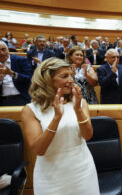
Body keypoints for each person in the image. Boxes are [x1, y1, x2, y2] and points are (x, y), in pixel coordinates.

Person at [21, 57, 99, 195]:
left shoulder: (81, 103)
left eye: (71, 75)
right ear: (47, 80)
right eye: (64, 76)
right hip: (51, 178)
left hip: (83, 172)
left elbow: (88, 136)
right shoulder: (31, 110)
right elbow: (39, 150)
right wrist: (57, 117)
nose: (71, 80)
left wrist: (78, 110)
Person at [0, 41, 32, 106]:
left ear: (8, 49)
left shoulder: (20, 60)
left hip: (20, 98)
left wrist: (13, 73)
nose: (1, 53)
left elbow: (30, 78)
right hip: (2, 100)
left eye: (3, 49)